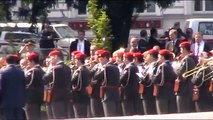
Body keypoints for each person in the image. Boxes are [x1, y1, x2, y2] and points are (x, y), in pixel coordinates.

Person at [43, 49, 71, 119]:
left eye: (51, 57)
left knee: (56, 117)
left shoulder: (55, 68)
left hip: (56, 97)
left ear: (55, 56)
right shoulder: (67, 67)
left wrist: (49, 68)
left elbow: (45, 79)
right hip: (66, 95)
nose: (49, 60)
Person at [94, 50, 120, 117]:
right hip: (116, 93)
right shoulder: (115, 66)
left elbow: (96, 77)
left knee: (109, 115)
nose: (99, 60)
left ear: (105, 58)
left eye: (101, 58)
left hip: (108, 94)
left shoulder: (105, 67)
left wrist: (99, 68)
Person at [0, 54, 26, 120]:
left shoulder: (3, 72)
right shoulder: (21, 72)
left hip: (7, 102)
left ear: (6, 61)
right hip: (19, 101)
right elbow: (24, 86)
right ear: (15, 61)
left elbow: (1, 88)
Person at [152, 49, 177, 114]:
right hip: (170, 92)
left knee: (162, 114)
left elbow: (159, 80)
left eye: (159, 57)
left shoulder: (162, 66)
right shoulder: (170, 65)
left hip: (162, 93)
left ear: (162, 57)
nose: (158, 59)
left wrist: (151, 74)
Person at [175, 42, 196, 113]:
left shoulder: (186, 59)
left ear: (184, 49)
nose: (180, 51)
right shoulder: (189, 58)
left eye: (181, 48)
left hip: (184, 88)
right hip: (187, 87)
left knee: (183, 110)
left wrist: (176, 68)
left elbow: (181, 74)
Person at [25, 52, 45, 120]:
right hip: (39, 98)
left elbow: (28, 84)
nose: (27, 63)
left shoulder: (33, 71)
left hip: (31, 99)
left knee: (31, 117)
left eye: (28, 62)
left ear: (32, 61)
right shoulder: (41, 70)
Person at [71, 53, 90, 118]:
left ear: (79, 60)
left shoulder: (80, 70)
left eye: (76, 59)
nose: (74, 61)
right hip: (85, 94)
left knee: (79, 115)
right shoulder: (86, 69)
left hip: (78, 95)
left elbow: (73, 81)